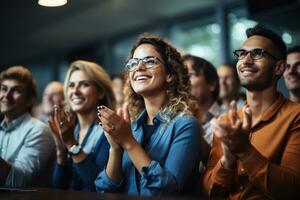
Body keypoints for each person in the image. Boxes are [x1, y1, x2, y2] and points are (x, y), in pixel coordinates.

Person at [95, 34, 201, 196]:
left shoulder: (186, 124)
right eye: (134, 63)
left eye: (150, 61)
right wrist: (115, 148)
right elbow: (105, 189)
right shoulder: (130, 126)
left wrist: (128, 142)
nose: (139, 68)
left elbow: (167, 189)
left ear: (170, 74)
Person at [202, 24, 300, 199]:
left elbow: (292, 190)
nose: (246, 60)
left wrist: (245, 151)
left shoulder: (296, 116)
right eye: (242, 54)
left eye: (257, 53)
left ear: (279, 67)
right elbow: (209, 191)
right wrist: (228, 161)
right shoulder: (227, 121)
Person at [49, 60, 115, 191]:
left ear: (101, 92)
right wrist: (61, 152)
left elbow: (97, 186)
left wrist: (71, 145)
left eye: (84, 84)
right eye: (71, 85)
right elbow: (58, 187)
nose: (75, 91)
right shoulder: (71, 129)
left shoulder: (109, 130)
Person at [0, 66, 54, 187]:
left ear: (30, 100)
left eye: (16, 90)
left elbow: (17, 181)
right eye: (4, 89)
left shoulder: (40, 131)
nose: (6, 95)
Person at [182, 54, 222, 147]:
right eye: (182, 76)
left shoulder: (227, 120)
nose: (183, 81)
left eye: (190, 75)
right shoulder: (176, 118)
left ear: (211, 84)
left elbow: (218, 160)